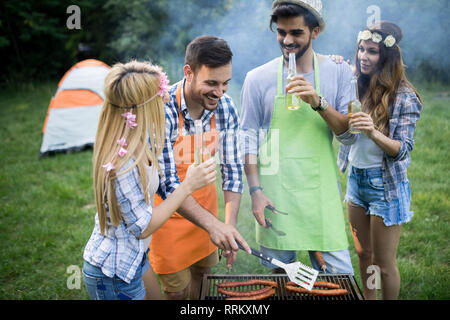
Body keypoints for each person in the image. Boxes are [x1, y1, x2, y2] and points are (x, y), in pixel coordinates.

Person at [82, 60, 218, 300]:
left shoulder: (141, 139)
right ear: (141, 109)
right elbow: (143, 228)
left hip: (134, 260)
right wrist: (188, 185)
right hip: (113, 273)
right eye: (161, 97)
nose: (166, 101)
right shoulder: (122, 164)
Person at [240, 0, 355, 275]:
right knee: (281, 278)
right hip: (274, 195)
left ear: (315, 32)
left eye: (296, 33)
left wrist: (318, 102)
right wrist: (255, 192)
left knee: (339, 279)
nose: (287, 40)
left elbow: (349, 136)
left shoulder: (338, 72)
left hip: (320, 193)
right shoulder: (257, 78)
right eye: (281, 32)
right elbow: (248, 140)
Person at [148, 35, 249, 300]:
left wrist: (228, 226)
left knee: (204, 280)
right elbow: (167, 184)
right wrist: (214, 226)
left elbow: (233, 169)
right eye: (211, 83)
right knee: (178, 292)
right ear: (188, 73)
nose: (220, 92)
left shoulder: (225, 106)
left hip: (207, 212)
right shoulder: (164, 109)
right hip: (167, 219)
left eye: (225, 83)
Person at [338, 21, 422, 300]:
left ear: (386, 56)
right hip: (356, 181)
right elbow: (327, 76)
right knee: (365, 256)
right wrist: (336, 63)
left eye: (372, 51)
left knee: (384, 265)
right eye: (361, 49)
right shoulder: (354, 83)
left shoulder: (404, 96)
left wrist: (373, 131)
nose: (363, 56)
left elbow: (402, 149)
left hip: (384, 187)